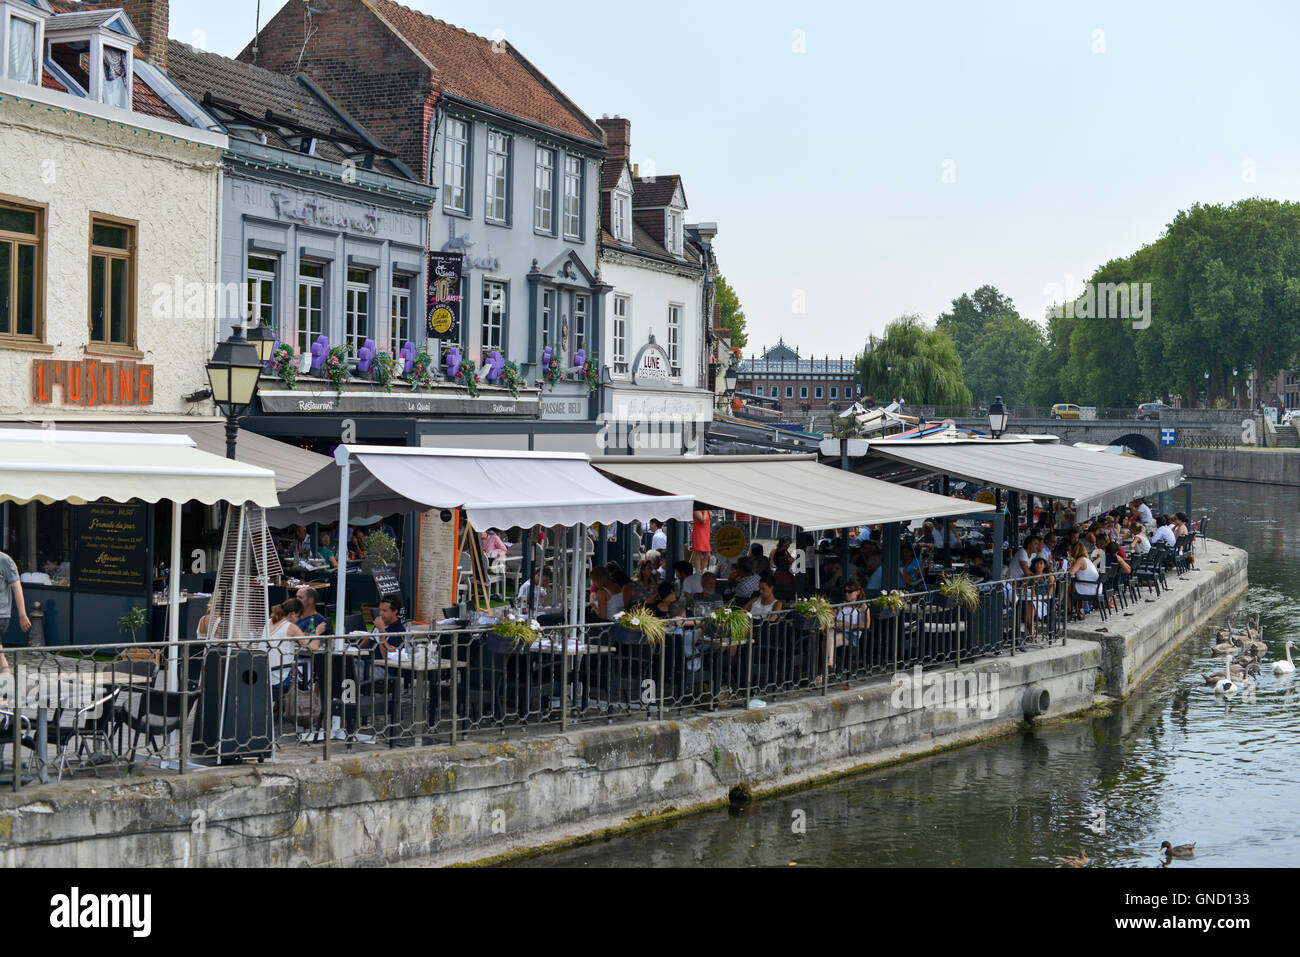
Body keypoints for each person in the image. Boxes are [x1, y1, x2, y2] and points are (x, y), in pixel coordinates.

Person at [0, 549, 31, 673]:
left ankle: (6, 682)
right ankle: (6, 682)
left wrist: (22, 615)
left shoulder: (4, 560)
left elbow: (16, 587)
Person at [1066, 542, 1100, 620]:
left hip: (1090, 588)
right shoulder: (1087, 560)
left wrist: (1068, 569)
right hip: (1095, 587)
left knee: (1068, 589)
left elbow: (1071, 572)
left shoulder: (1080, 560)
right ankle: (1080, 609)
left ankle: (1070, 611)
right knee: (1074, 586)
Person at [690, 509, 712, 574]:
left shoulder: (705, 510)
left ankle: (701, 572)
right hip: (699, 532)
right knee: (698, 553)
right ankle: (698, 572)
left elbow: (709, 516)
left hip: (706, 532)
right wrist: (705, 511)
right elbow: (703, 520)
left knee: (708, 554)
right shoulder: (696, 509)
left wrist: (708, 512)